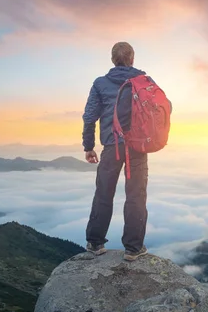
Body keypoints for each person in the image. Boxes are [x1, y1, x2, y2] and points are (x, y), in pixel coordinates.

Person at [82, 42, 151, 261]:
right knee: (136, 195)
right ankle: (133, 248)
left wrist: (89, 146)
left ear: (113, 59)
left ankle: (95, 243)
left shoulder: (101, 83)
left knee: (103, 193)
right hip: (138, 147)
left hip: (112, 146)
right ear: (132, 58)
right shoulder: (144, 82)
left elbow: (90, 116)